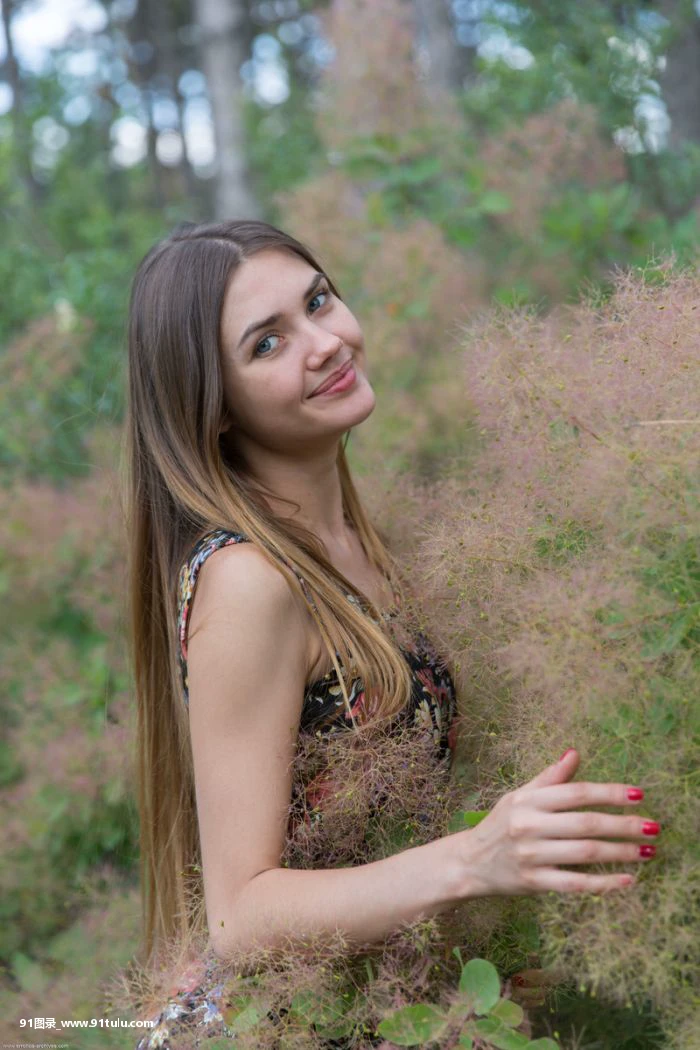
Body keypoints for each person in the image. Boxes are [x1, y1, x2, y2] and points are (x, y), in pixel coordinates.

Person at [124, 219, 659, 1048]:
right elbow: (240, 916)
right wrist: (475, 861)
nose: (326, 343)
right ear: (215, 408)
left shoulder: (352, 544)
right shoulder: (251, 580)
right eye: (268, 343)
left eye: (318, 302)